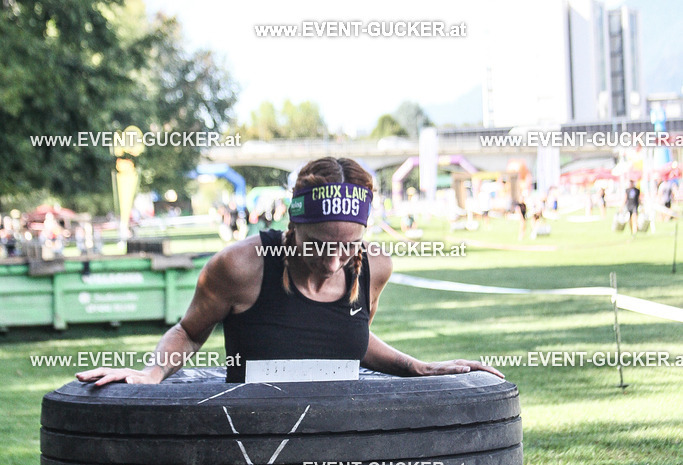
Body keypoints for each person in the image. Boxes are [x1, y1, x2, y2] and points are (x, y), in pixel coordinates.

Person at [78, 157, 503, 387]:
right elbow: (190, 332)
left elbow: (347, 336)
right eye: (319, 244)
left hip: (341, 443)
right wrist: (152, 373)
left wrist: (418, 367)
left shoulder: (376, 267)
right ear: (294, 225)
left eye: (348, 245)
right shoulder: (239, 266)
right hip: (252, 440)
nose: (334, 261)